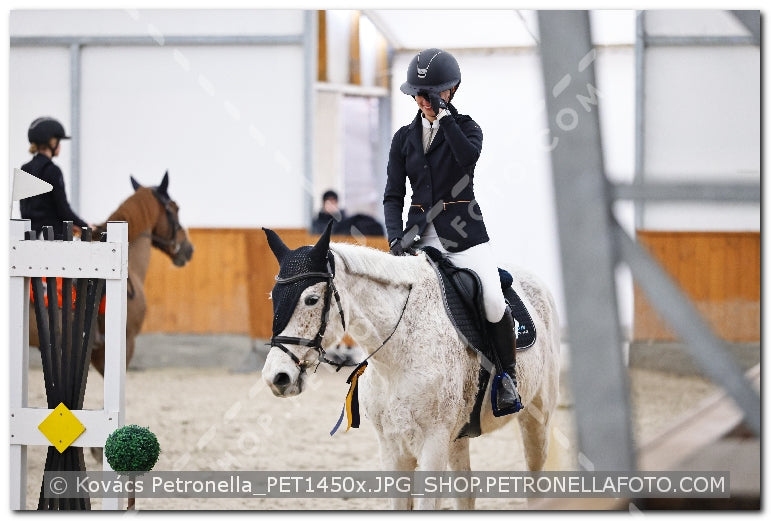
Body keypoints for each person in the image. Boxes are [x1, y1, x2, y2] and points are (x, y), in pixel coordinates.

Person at [383, 48, 521, 416]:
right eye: (418, 95)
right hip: (417, 237)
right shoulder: (403, 138)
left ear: (451, 90)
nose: (423, 101)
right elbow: (393, 195)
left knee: (493, 301)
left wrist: (444, 118)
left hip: (464, 234)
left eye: (430, 94)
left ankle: (507, 378)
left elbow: (466, 159)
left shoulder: (468, 128)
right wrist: (394, 237)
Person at [20, 116, 91, 239]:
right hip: (52, 238)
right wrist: (85, 226)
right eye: (59, 141)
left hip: (29, 236)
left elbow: (25, 210)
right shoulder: (53, 171)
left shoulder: (25, 169)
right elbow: (63, 210)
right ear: (52, 143)